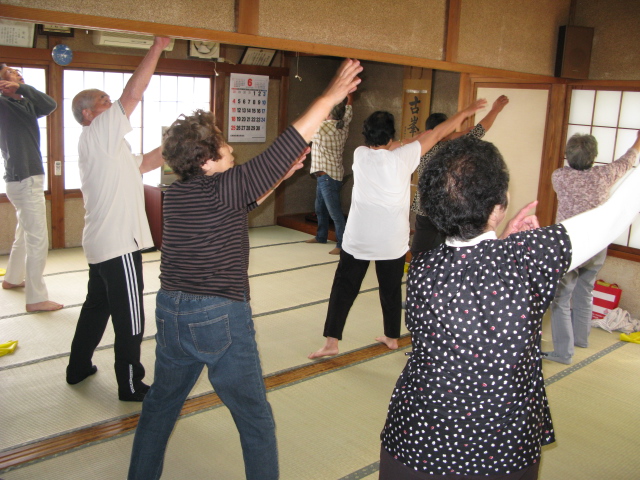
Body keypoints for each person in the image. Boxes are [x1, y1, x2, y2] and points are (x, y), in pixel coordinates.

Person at [127, 59, 363, 480]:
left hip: (170, 312)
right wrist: (330, 97)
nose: (231, 149)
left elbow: (237, 201)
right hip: (218, 315)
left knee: (160, 407)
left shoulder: (175, 194)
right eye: (223, 145)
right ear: (207, 161)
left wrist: (277, 176)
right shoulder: (223, 188)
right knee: (254, 418)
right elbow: (286, 143)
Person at [379, 134, 640, 479]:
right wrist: (507, 245)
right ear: (500, 204)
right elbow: (613, 216)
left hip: (412, 441)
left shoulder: (423, 268)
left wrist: (502, 242)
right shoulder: (527, 257)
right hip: (501, 447)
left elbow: (470, 281)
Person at [308, 99, 487, 360]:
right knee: (390, 288)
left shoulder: (360, 154)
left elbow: (400, 143)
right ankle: (392, 336)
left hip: (359, 238)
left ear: (366, 136)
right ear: (391, 136)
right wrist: (465, 112)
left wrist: (409, 139)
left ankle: (331, 342)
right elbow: (436, 134)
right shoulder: (405, 156)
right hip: (391, 240)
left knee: (343, 288)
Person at [65, 37, 170, 401]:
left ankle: (77, 366)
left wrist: (180, 141)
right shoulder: (98, 132)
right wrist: (157, 47)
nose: (112, 106)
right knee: (132, 317)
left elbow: (145, 163)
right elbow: (133, 93)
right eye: (103, 102)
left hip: (100, 242)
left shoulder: (109, 145)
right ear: (88, 115)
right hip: (117, 245)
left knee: (97, 307)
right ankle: (130, 384)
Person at [545, 131, 640, 364]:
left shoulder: (559, 177)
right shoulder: (604, 175)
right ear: (594, 156)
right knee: (585, 290)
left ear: (567, 156)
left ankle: (563, 352)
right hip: (596, 244)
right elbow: (628, 159)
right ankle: (582, 339)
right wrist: (638, 141)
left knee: (561, 298)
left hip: (568, 245)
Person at [410, 95, 509, 257]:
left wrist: (460, 133)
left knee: (420, 250)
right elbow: (480, 129)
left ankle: (419, 273)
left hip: (425, 206)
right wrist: (495, 110)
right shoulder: (453, 148)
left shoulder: (418, 147)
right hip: (449, 206)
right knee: (448, 250)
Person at [0, 64, 62, 312]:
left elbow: (50, 105)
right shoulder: (3, 106)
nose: (17, 72)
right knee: (37, 239)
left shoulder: (25, 104)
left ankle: (12, 279)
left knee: (24, 233)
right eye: (11, 72)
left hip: (26, 179)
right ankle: (36, 298)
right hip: (23, 178)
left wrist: (22, 87)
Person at [305, 92, 353, 255]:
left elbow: (308, 126)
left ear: (329, 114)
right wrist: (349, 96)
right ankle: (321, 236)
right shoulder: (343, 125)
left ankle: (342, 244)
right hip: (329, 176)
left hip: (327, 177)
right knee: (320, 209)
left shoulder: (323, 128)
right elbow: (349, 112)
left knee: (335, 213)